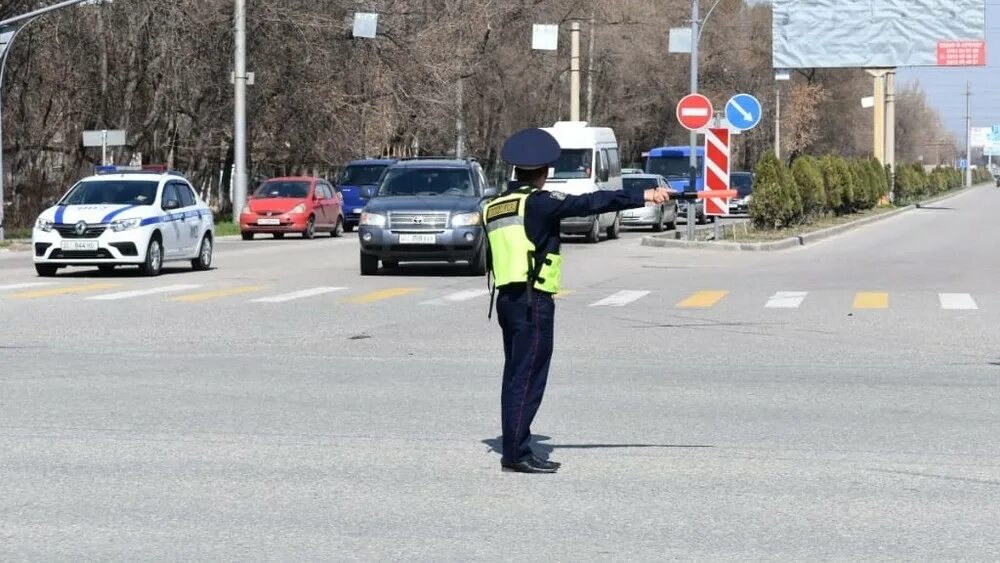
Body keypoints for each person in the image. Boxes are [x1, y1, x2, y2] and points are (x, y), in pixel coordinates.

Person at [482, 128, 671, 474]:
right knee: (528, 378)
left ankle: (515, 445)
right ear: (545, 171)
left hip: (507, 300)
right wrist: (644, 195)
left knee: (515, 376)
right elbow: (590, 202)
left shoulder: (494, 205)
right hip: (532, 300)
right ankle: (517, 453)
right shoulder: (537, 202)